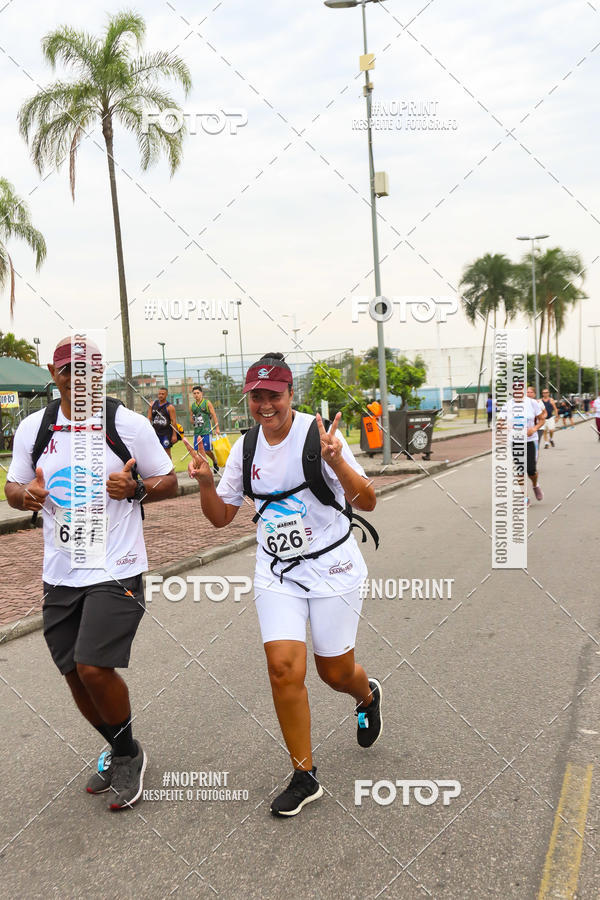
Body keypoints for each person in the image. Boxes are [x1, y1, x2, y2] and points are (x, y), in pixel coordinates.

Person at [185, 352, 382, 818]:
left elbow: (368, 501)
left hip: (332, 568)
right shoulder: (245, 448)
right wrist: (207, 485)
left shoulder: (319, 436)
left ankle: (367, 694)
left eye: (273, 395)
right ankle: (304, 774)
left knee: (334, 672)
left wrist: (338, 463)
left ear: (291, 394)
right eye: (257, 396)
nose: (265, 404)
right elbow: (220, 519)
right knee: (282, 669)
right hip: (277, 573)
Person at [6, 338, 178, 810]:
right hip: (61, 571)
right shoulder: (34, 428)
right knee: (73, 674)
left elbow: (170, 480)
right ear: (53, 372)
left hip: (116, 567)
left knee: (93, 666)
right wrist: (26, 497)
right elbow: (13, 488)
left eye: (86, 371)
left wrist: (136, 487)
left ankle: (125, 754)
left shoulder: (127, 424)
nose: (76, 379)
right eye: (67, 371)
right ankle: (121, 746)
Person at [498, 383, 546, 503]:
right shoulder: (507, 405)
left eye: (520, 390)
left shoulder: (532, 403)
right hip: (515, 441)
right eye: (515, 390)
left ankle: (535, 485)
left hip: (530, 440)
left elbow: (542, 419)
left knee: (531, 470)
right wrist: (506, 426)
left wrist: (534, 429)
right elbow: (499, 423)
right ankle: (525, 496)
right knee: (519, 470)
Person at [190, 385, 221, 473]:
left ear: (201, 393)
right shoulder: (192, 406)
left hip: (206, 430)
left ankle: (214, 461)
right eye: (194, 393)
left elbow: (214, 415)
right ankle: (204, 467)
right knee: (198, 451)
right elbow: (191, 419)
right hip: (197, 431)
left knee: (207, 450)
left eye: (198, 393)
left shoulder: (207, 403)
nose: (196, 395)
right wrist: (193, 420)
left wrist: (217, 428)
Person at [148, 387, 177, 458]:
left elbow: (174, 421)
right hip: (155, 432)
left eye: (163, 394)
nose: (160, 395)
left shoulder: (170, 407)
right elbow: (149, 418)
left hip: (166, 433)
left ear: (166, 395)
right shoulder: (153, 404)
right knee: (155, 451)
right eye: (159, 394)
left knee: (166, 452)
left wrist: (174, 435)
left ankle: (170, 468)